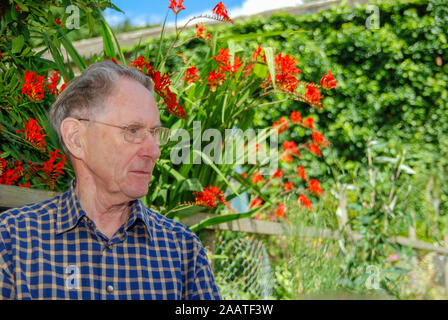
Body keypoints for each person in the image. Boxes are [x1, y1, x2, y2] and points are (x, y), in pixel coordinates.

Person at [0, 60, 221, 300]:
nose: (154, 151)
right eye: (133, 130)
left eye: (155, 133)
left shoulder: (182, 250)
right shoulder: (13, 240)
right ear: (76, 138)